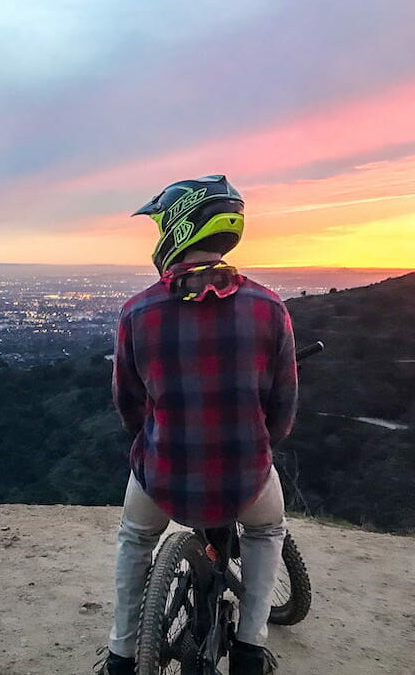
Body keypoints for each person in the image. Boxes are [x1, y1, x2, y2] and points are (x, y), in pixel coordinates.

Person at [94, 175, 297, 675]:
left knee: (136, 539)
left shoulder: (137, 313)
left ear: (177, 228)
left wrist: (157, 435)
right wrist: (257, 443)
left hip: (164, 471)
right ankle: (250, 647)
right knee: (266, 531)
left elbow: (128, 405)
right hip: (245, 471)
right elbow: (283, 409)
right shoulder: (269, 307)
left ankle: (122, 655)